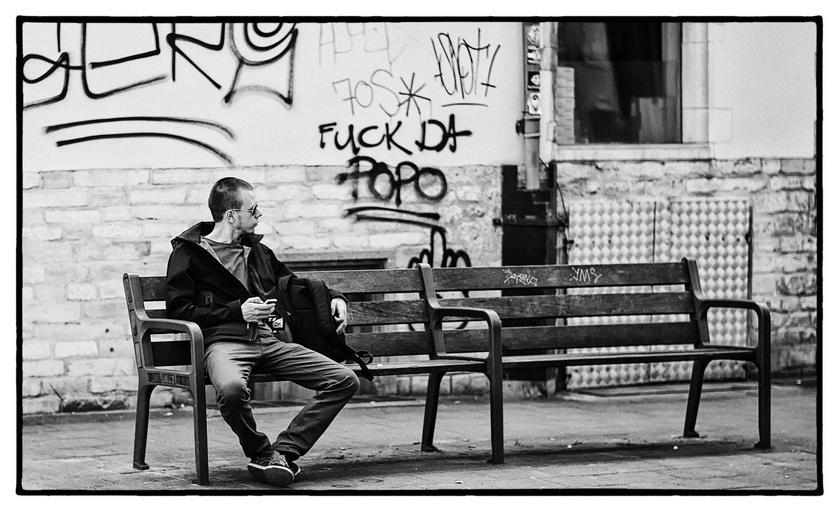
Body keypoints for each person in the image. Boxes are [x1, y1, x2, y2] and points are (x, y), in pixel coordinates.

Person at [165, 177, 359, 487]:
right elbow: (179, 310)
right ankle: (261, 451)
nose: (259, 215)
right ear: (232, 215)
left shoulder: (257, 251)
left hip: (269, 341)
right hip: (224, 344)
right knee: (231, 390)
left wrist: (336, 297)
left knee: (344, 379)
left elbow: (294, 284)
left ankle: (283, 452)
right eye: (253, 209)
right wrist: (236, 311)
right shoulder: (189, 254)